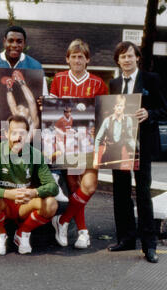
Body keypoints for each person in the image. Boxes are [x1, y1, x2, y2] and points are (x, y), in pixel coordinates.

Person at [0, 25, 58, 202]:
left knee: (52, 121)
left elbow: (41, 96)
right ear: (4, 41)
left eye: (19, 41)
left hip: (26, 116)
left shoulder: (34, 65)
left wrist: (42, 101)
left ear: (24, 44)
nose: (14, 44)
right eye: (11, 40)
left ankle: (54, 178)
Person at [105, 41, 167, 263]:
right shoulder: (113, 83)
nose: (127, 60)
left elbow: (165, 111)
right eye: (122, 56)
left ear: (137, 58)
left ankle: (149, 245)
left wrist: (148, 113)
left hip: (142, 145)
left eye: (130, 56)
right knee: (121, 193)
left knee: (142, 193)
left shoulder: (151, 79)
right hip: (119, 145)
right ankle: (126, 239)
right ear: (118, 60)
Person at [49, 39, 108, 249]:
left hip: (90, 141)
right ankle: (83, 232)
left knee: (89, 185)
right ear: (67, 59)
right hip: (67, 141)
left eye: (81, 57)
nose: (77, 60)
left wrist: (98, 126)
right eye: (73, 56)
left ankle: (62, 220)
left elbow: (104, 113)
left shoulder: (98, 83)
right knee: (74, 186)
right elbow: (52, 111)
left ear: (87, 59)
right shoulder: (58, 79)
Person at [0, 115, 59, 255]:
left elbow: (53, 186)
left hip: (24, 204)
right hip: (4, 204)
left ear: (28, 135)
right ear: (7, 134)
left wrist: (34, 192)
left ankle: (23, 233)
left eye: (22, 133)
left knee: (51, 204)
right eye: (14, 132)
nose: (18, 137)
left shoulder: (35, 155)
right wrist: (7, 193)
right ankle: (0, 234)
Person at [94, 94, 135, 169]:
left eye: (121, 106)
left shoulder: (128, 120)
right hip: (106, 156)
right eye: (117, 105)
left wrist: (135, 150)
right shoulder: (107, 120)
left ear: (124, 107)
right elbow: (98, 139)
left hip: (118, 157)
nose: (119, 108)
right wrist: (95, 159)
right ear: (114, 107)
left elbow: (130, 139)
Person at [0, 69, 40, 140]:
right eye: (19, 109)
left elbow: (31, 102)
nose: (21, 109)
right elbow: (31, 102)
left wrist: (20, 83)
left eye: (22, 109)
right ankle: (10, 87)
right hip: (18, 144)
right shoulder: (26, 123)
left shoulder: (33, 123)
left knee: (15, 113)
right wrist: (21, 83)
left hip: (21, 144)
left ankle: (10, 87)